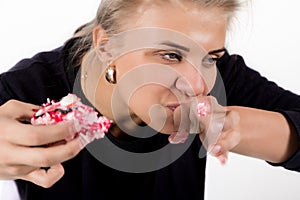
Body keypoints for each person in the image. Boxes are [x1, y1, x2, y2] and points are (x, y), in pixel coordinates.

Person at [0, 0, 299, 199]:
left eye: (210, 58)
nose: (197, 85)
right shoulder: (22, 91)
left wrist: (240, 127)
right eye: (170, 55)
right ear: (106, 47)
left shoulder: (223, 78)